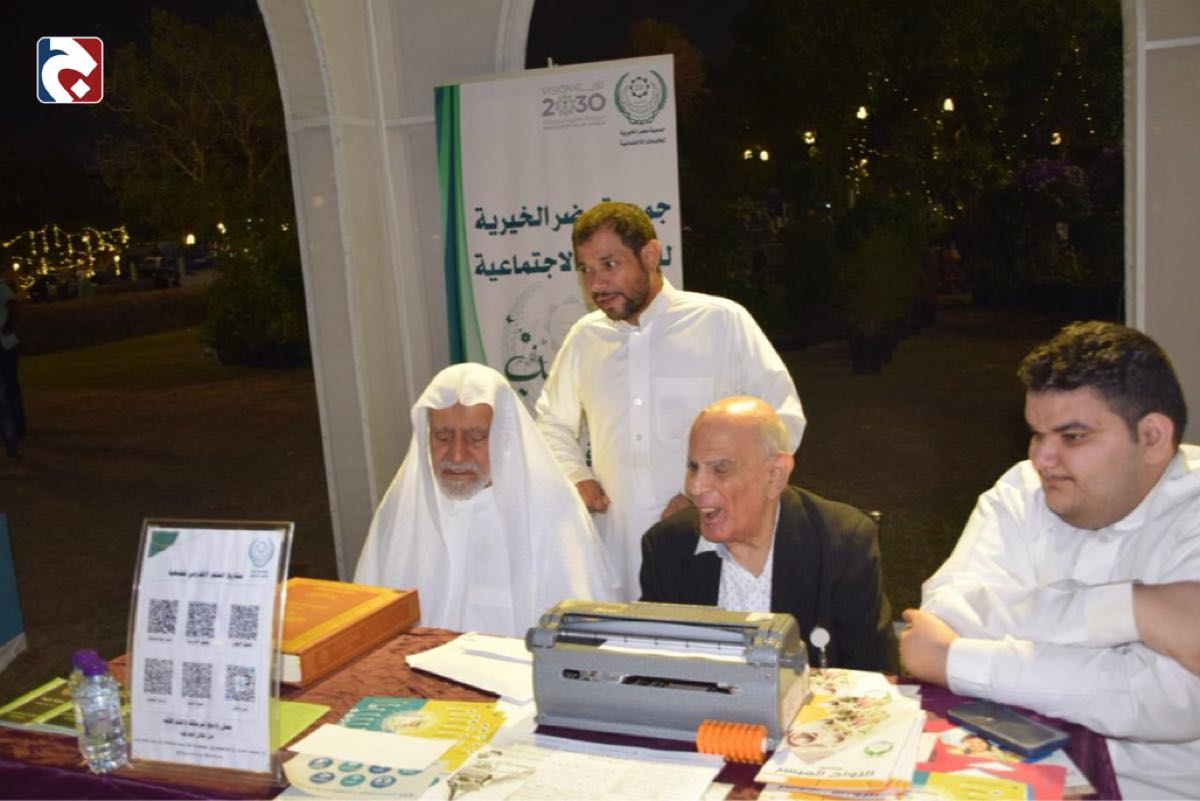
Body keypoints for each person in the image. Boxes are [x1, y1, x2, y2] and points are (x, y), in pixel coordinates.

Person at [900, 321, 1200, 799]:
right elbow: (950, 610)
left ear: (1153, 437)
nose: (1042, 458)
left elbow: (1175, 701)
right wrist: (1131, 611)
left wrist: (954, 659)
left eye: (1073, 436)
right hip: (1005, 772)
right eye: (1036, 434)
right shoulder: (1022, 490)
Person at [536, 201, 805, 599]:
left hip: (714, 543)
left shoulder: (720, 321)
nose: (596, 284)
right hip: (616, 549)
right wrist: (577, 475)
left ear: (649, 255)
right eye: (585, 269)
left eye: (609, 264)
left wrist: (712, 494)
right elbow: (551, 421)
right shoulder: (585, 337)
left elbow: (782, 420)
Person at [353, 363, 615, 637]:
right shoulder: (402, 508)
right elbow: (365, 622)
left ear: (506, 437)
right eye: (442, 437)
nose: (457, 455)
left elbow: (579, 636)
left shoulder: (550, 513)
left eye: (476, 438)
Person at [640, 396, 897, 672]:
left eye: (720, 469)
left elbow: (874, 678)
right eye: (693, 467)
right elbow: (651, 671)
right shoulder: (668, 547)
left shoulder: (841, 544)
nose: (695, 487)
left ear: (775, 475)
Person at [0, 276, 24, 458]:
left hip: (5, 345)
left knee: (7, 390)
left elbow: (14, 306)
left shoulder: (1, 288)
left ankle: (15, 430)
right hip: (5, 343)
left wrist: (7, 328)